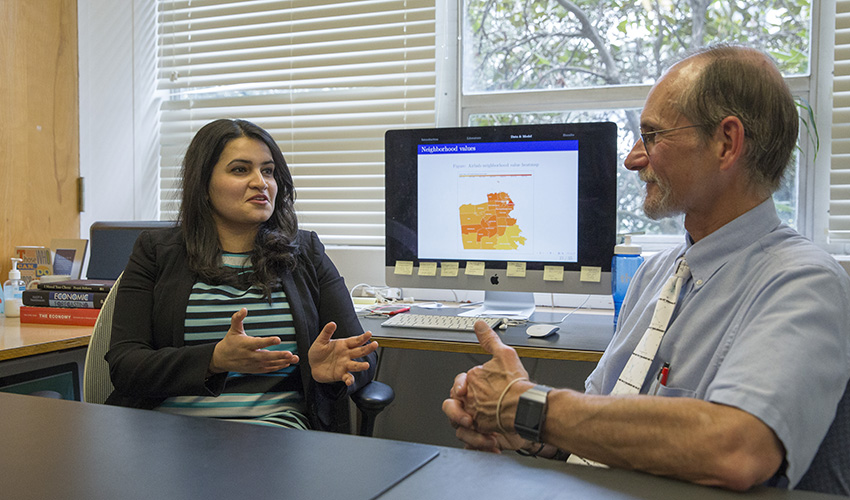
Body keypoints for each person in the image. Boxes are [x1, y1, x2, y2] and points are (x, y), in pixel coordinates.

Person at [442, 44, 850, 494]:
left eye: (653, 136)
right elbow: (604, 430)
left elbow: (736, 449)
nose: (634, 158)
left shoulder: (805, 282)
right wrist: (533, 436)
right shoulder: (655, 275)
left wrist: (529, 406)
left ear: (726, 143)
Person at [105, 118, 378, 433]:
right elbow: (125, 365)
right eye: (240, 170)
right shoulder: (156, 251)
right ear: (203, 184)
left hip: (275, 431)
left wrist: (327, 372)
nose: (260, 182)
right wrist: (214, 359)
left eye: (268, 170)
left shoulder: (306, 253)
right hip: (168, 432)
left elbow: (360, 354)